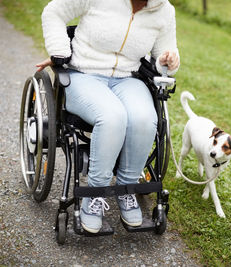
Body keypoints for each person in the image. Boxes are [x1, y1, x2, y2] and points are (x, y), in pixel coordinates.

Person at [36, 0, 180, 233]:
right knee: (112, 116)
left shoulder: (165, 11)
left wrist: (168, 61)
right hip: (84, 74)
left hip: (128, 79)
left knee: (145, 119)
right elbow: (54, 11)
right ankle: (95, 196)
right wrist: (60, 51)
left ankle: (127, 190)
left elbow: (165, 57)